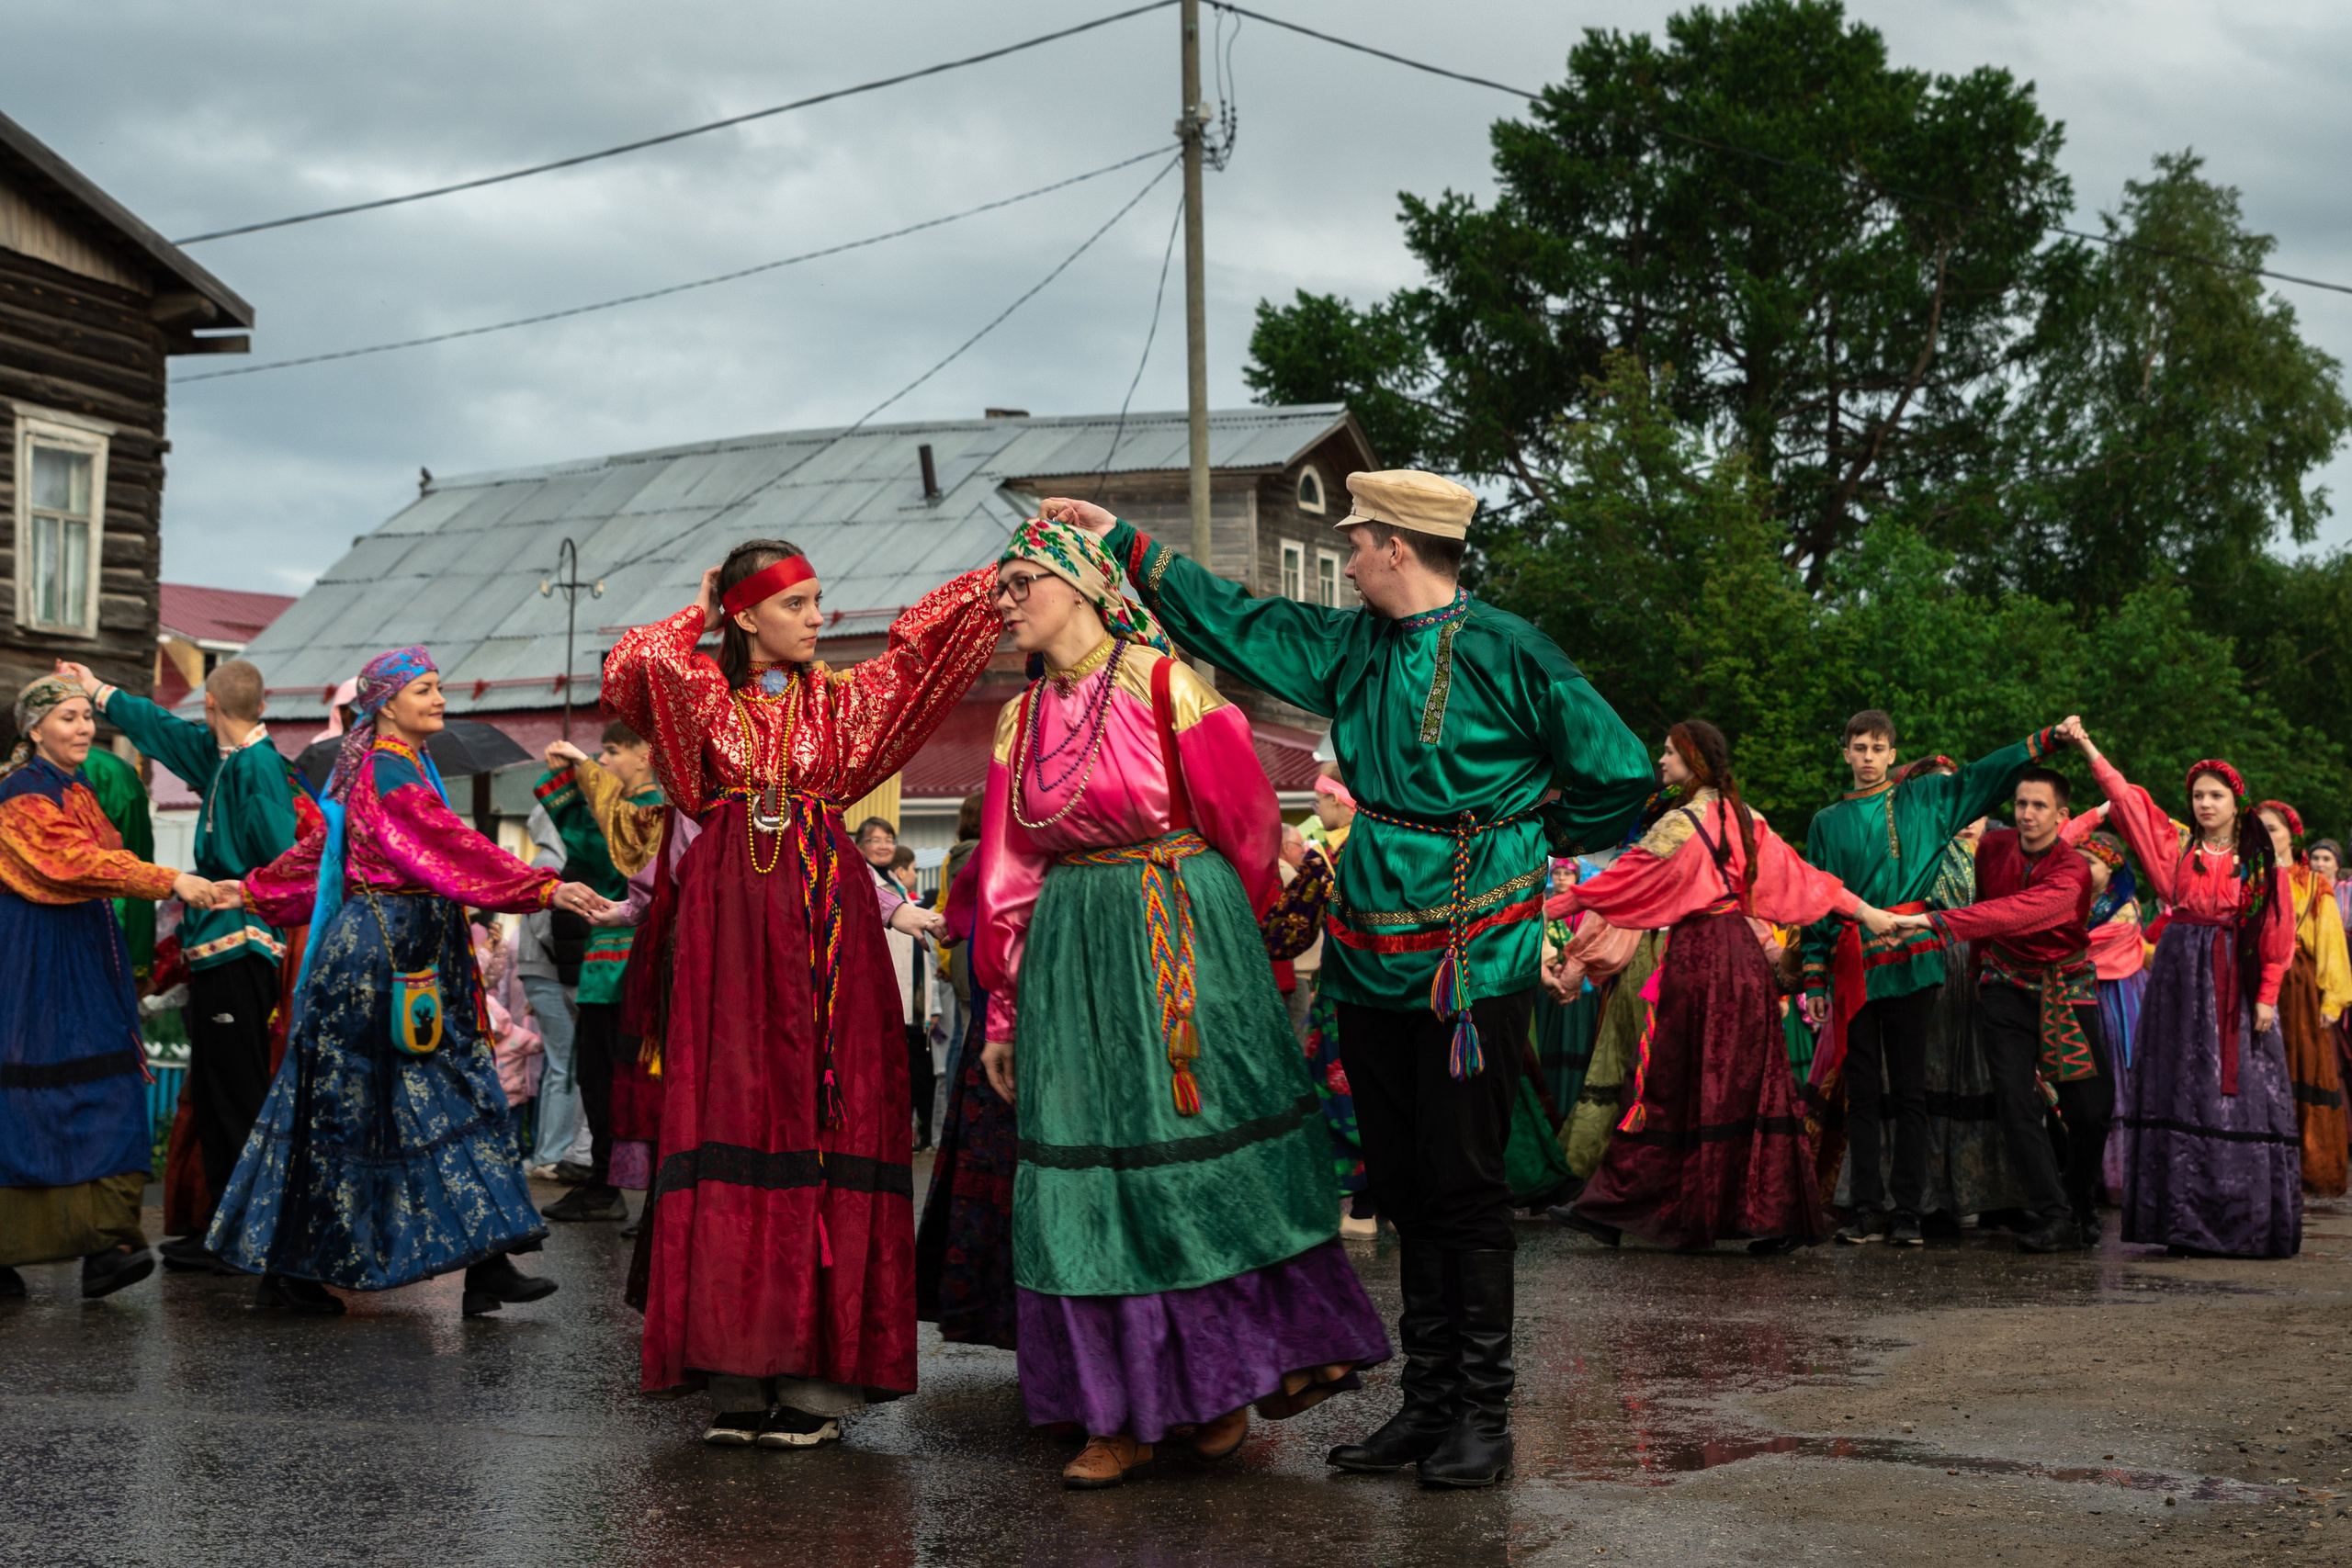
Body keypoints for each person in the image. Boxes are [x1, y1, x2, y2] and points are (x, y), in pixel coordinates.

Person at [1046, 471, 1652, 1491]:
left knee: (1463, 1182)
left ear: (1397, 547)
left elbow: (1620, 769)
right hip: (1370, 943)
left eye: (1357, 542)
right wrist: (1125, 545)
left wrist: (1529, 833)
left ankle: (1481, 1415)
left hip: (1473, 949)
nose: (1350, 558)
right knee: (1403, 1181)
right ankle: (1426, 1405)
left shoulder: (1511, 649)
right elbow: (1242, 622)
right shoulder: (1352, 646)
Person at [973, 516, 1390, 1489]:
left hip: (1179, 931)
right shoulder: (1016, 721)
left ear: (1083, 583)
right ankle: (1114, 1412)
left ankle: (1217, 1385)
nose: (1006, 601)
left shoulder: (1167, 685)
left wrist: (1228, 963)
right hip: (1073, 945)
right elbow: (1007, 869)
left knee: (1188, 1165)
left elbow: (1246, 828)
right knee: (1090, 1173)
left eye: (1023, 581)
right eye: (1001, 587)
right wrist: (1003, 1010)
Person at [603, 536, 1001, 1448]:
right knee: (731, 1110)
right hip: (727, 922)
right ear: (745, 615)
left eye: (819, 600)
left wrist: (1007, 569)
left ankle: (818, 1383)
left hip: (823, 915)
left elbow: (923, 650)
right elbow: (632, 666)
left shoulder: (842, 698)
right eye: (797, 604)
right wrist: (699, 613)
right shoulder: (698, 691)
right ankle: (737, 1372)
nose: (819, 618)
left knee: (825, 1110)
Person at [209, 649, 605, 1314]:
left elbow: (330, 854)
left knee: (451, 1099)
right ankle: (291, 1271)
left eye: (439, 686)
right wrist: (543, 887)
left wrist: (253, 889)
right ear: (387, 704)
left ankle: (488, 1263)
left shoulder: (399, 767)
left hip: (413, 957)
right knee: (352, 1113)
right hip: (377, 966)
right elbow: (446, 846)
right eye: (424, 688)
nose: (440, 698)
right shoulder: (387, 772)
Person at [1546, 722, 1892, 1253]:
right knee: (1750, 1085)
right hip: (1743, 962)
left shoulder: (1679, 824)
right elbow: (1806, 879)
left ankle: (1618, 1209)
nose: (1662, 761)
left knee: (1671, 1085)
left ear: (1693, 761)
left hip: (1699, 959)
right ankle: (1774, 1219)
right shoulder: (1747, 818)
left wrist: (1539, 909)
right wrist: (1868, 912)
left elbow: (1617, 882)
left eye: (1669, 753)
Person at [58, 659, 308, 1272]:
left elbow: (282, 857)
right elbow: (161, 730)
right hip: (216, 949)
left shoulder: (258, 768)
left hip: (242, 946)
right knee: (218, 1092)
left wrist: (240, 890)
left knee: (238, 1094)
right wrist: (98, 690)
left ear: (211, 705)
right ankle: (220, 1225)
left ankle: (248, 1235)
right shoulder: (222, 757)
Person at [0, 675, 232, 1300]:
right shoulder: (19, 795)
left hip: (82, 959)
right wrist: (170, 880)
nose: (84, 728)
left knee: (106, 1086)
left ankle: (109, 1241)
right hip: (33, 966)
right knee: (36, 1096)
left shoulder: (77, 789)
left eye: (86, 716)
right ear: (34, 729)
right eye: (68, 717)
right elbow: (72, 861)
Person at [1799, 712, 2057, 1247]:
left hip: (1913, 958)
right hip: (1854, 963)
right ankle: (1866, 1208)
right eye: (1859, 748)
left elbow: (1981, 776)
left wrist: (2043, 741)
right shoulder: (1826, 821)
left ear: (1893, 755)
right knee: (1863, 1093)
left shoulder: (1924, 802)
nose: (1868, 757)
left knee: (1910, 1091)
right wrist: (1816, 977)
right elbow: (1820, 901)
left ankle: (1908, 1211)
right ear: (1845, 753)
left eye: (1878, 748)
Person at [2063, 722, 2298, 1258]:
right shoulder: (2177, 848)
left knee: (2231, 1093)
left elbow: (2276, 931)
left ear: (2236, 803)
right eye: (2198, 796)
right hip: (2178, 978)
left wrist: (2267, 994)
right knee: (2180, 1086)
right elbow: (2127, 799)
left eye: (2216, 796)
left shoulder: (2260, 864)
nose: (2205, 804)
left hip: (2235, 979)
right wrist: (2087, 747)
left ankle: (2237, 1222)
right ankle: (2178, 1220)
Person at [1897, 762, 2109, 1251]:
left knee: (2091, 1110)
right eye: (2020, 804)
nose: (2027, 813)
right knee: (2015, 1102)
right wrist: (1977, 971)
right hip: (2004, 985)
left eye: (2039, 806)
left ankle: (2078, 1197)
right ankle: (2055, 1214)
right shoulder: (1992, 847)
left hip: (2065, 986)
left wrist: (1935, 923)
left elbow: (2012, 912)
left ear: (2061, 815)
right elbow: (1987, 905)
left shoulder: (2073, 871)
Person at [535, 726, 664, 1221]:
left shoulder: (655, 812)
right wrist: (571, 788)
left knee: (635, 1079)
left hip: (637, 966)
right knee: (597, 1078)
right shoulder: (620, 814)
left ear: (645, 755)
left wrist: (579, 775)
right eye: (602, 753)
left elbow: (614, 853)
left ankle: (651, 1195)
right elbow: (591, 852)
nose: (603, 760)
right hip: (602, 968)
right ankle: (605, 1183)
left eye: (612, 751)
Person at [2256, 801, 2350, 1196]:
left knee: (2299, 1065)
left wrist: (2332, 1000)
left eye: (2273, 829)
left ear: (2292, 836)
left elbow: (2330, 942)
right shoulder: (2246, 877)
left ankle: (2303, 1168)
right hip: (2250, 978)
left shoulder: (2311, 884)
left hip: (2295, 987)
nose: (2265, 836)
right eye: (2259, 829)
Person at [514, 807, 585, 1179]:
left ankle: (546, 1151)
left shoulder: (541, 860)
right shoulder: (552, 864)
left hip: (539, 972)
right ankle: (553, 1154)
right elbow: (548, 929)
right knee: (566, 1066)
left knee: (558, 1065)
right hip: (551, 972)